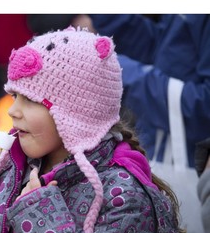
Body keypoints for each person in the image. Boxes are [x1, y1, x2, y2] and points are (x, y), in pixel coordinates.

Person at [0, 27, 184, 233]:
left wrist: (41, 215)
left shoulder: (121, 193)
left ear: (75, 114)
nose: (13, 111)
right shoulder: (9, 167)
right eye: (15, 96)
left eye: (29, 99)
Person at [79, 14, 210, 168]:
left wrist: (116, 71)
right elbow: (163, 48)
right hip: (154, 145)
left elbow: (204, 110)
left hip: (189, 163)